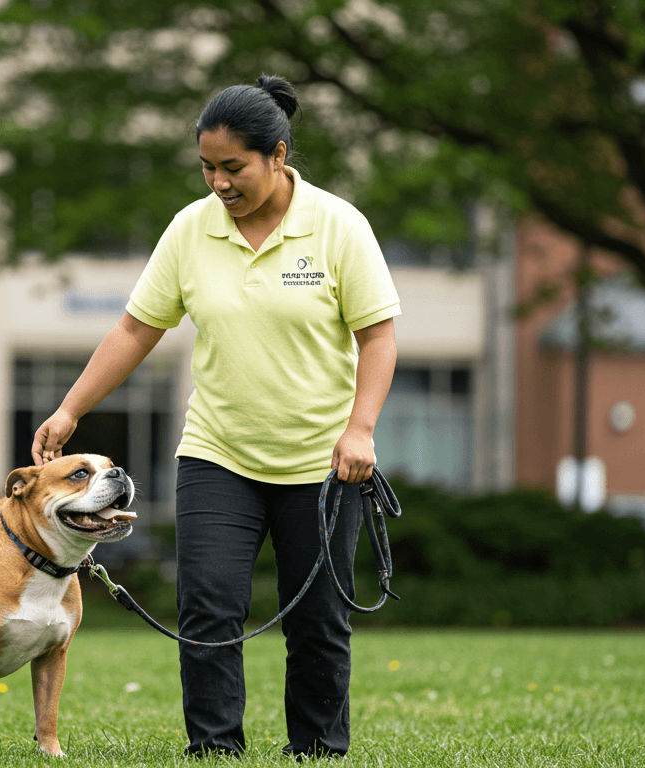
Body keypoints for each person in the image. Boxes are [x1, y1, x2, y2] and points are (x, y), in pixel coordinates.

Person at [30, 74, 399, 759]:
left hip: (322, 462)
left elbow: (378, 336)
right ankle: (215, 748)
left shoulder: (338, 226)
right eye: (207, 167)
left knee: (318, 619)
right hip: (217, 454)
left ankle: (317, 750)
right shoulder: (191, 229)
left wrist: (361, 429)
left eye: (234, 168)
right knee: (207, 607)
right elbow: (137, 329)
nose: (219, 182)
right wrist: (71, 407)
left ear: (278, 155)